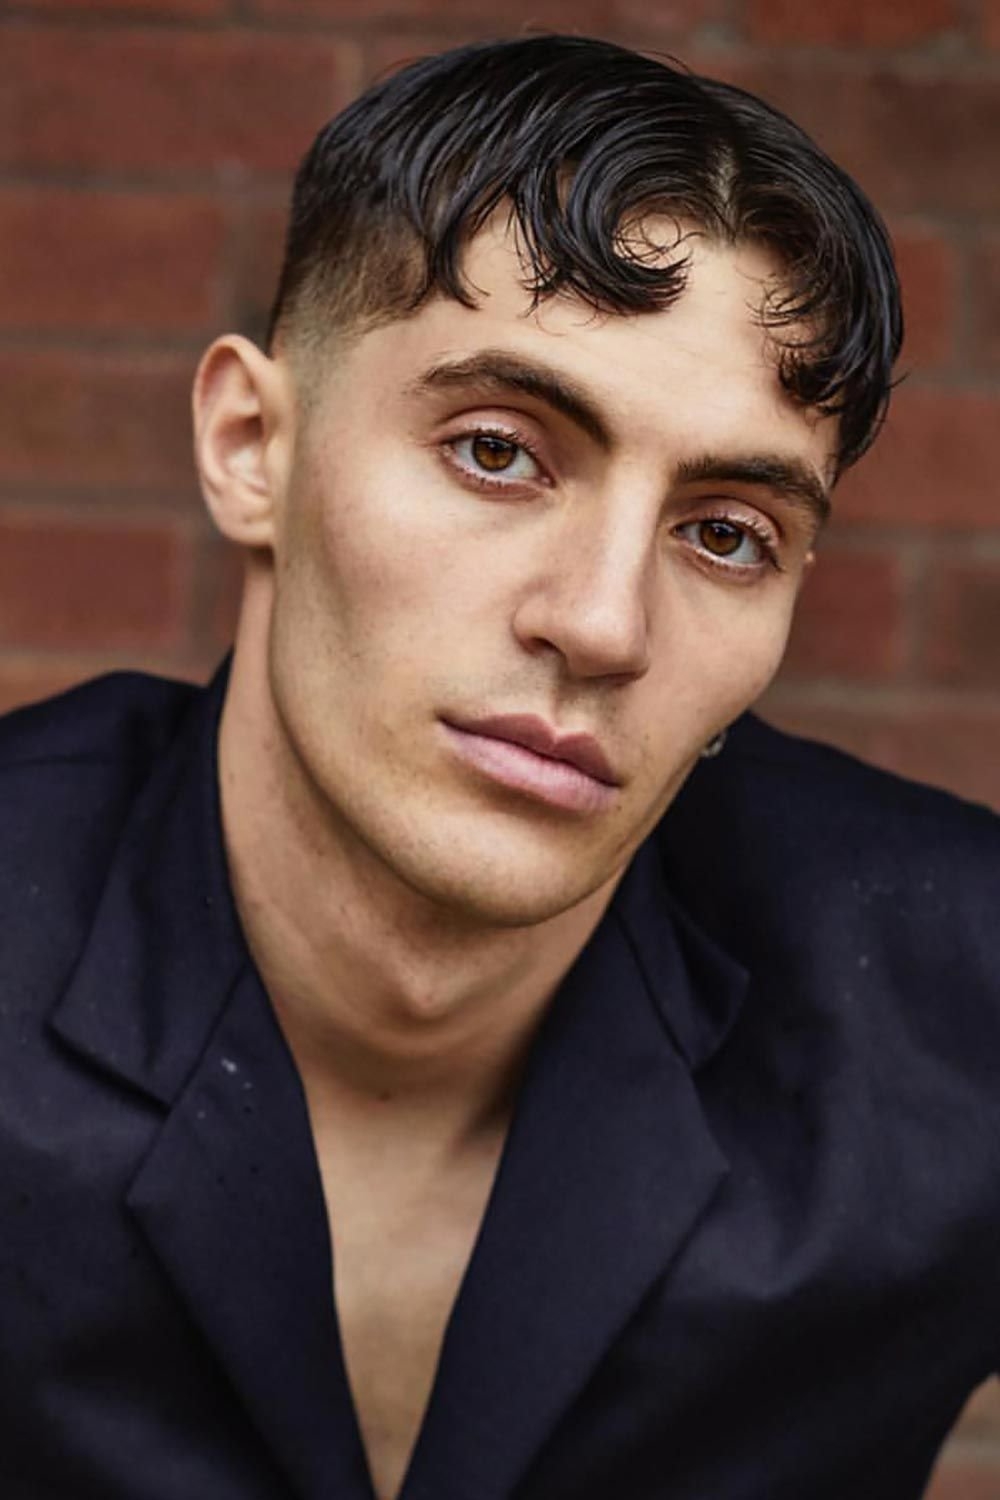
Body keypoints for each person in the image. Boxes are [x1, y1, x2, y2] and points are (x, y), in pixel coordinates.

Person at [2, 32, 997, 1500]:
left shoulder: (955, 1013)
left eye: (726, 533)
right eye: (496, 452)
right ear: (252, 445)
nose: (602, 624)